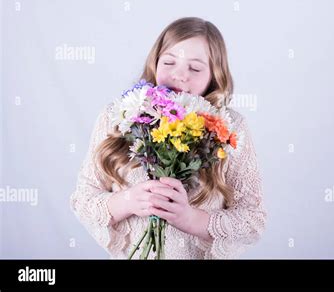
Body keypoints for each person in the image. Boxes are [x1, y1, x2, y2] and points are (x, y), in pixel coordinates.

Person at [70, 17, 267, 259]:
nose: (180, 75)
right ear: (154, 63)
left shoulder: (230, 128)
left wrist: (191, 219)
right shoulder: (117, 117)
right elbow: (83, 200)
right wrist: (128, 201)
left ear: (215, 75)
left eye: (195, 68)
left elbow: (252, 219)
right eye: (169, 62)